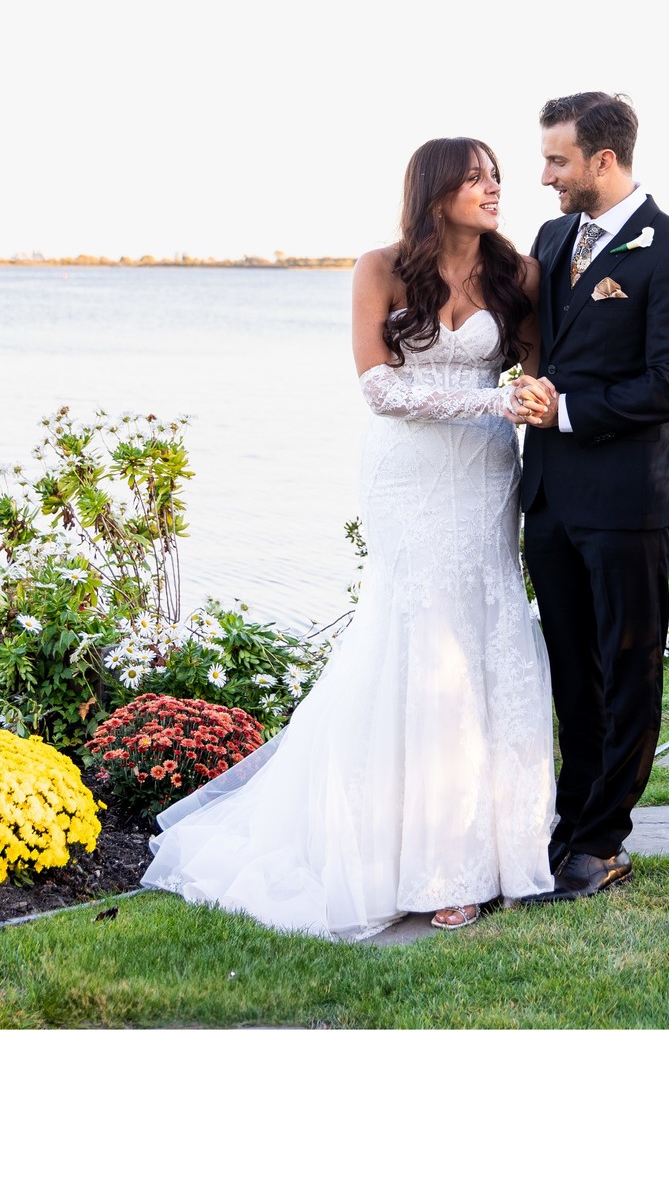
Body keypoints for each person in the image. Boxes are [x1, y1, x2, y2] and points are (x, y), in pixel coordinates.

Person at [141, 137, 557, 938]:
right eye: (476, 177)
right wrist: (489, 405)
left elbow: (532, 371)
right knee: (418, 640)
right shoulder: (381, 267)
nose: (496, 187)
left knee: (486, 633)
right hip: (407, 477)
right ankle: (419, 859)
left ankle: (500, 849)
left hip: (484, 480)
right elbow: (377, 387)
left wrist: (528, 401)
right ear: (435, 191)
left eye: (498, 174)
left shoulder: (519, 274)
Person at [509, 93, 669, 902]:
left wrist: (565, 408)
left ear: (603, 160)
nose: (545, 175)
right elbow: (539, 343)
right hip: (550, 495)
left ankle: (601, 840)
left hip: (628, 496)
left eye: (557, 160)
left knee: (626, 670)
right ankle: (568, 823)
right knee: (570, 671)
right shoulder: (552, 237)